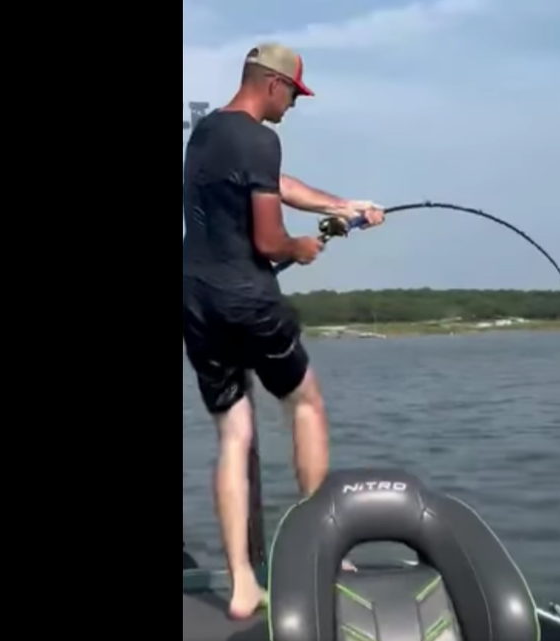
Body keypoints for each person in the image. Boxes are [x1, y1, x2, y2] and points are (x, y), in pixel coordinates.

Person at [182, 42, 385, 620]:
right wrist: (301, 247)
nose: (293, 105)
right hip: (248, 301)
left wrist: (342, 206)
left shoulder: (206, 134)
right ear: (272, 84)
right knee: (306, 405)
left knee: (234, 435)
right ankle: (320, 548)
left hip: (196, 300)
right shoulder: (261, 138)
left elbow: (272, 182)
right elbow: (270, 241)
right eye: (293, 94)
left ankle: (243, 584)